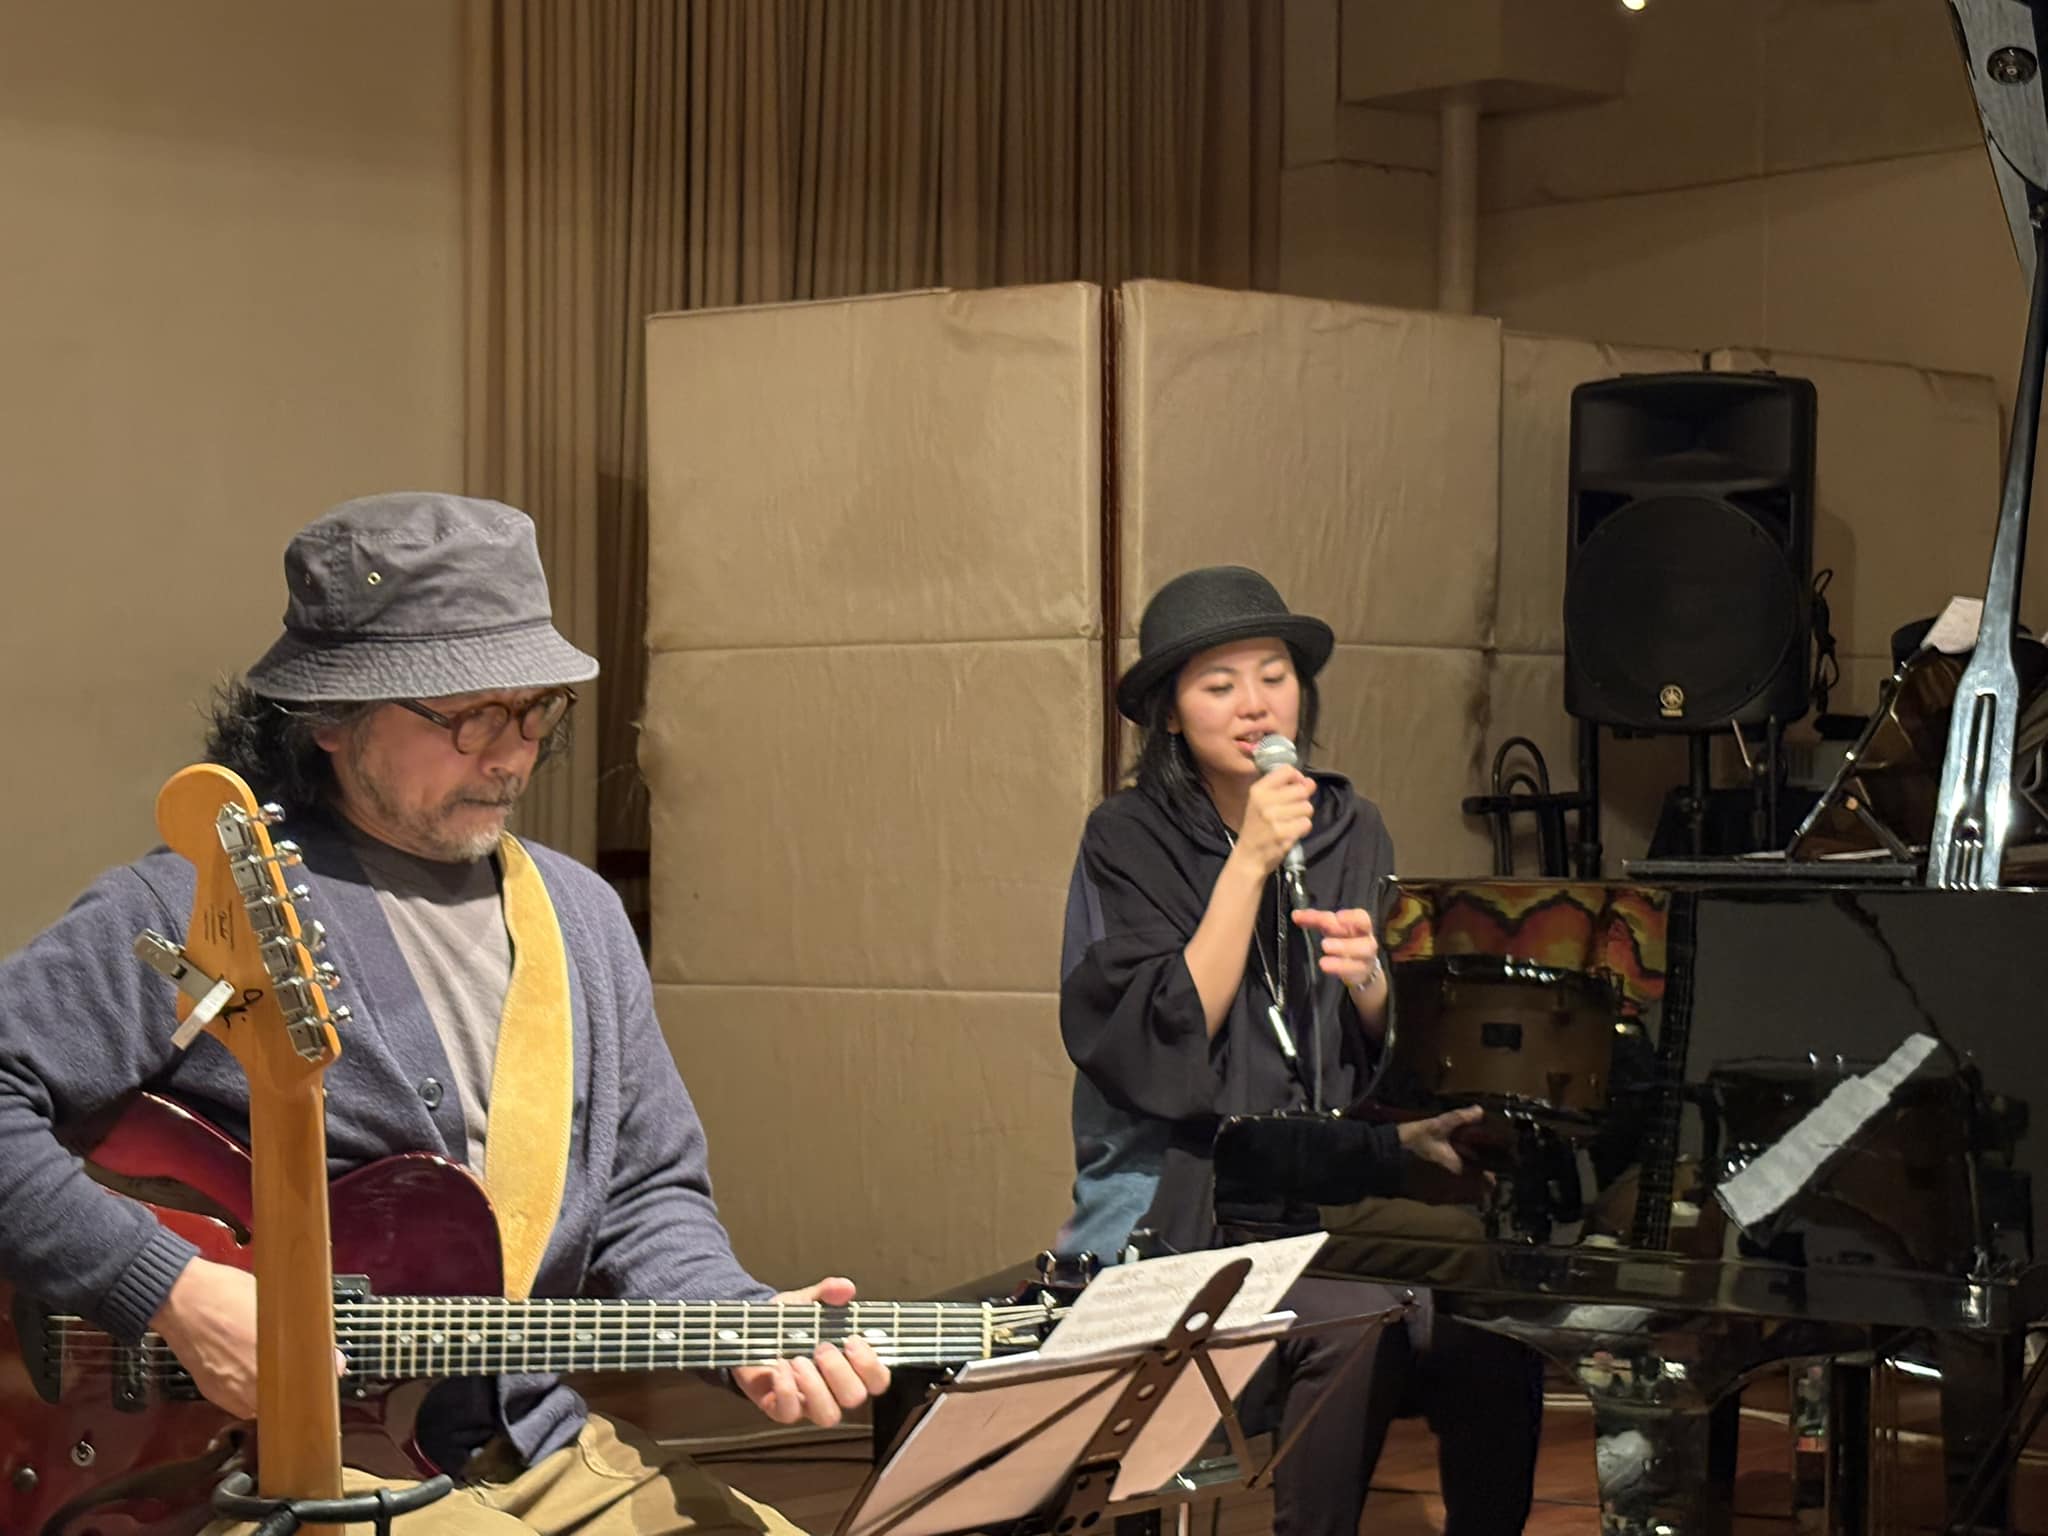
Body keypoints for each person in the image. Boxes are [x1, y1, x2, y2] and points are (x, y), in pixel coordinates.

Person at [0, 493, 884, 1536]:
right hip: (268, 1462)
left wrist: (737, 1325)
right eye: (468, 716)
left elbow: (645, 1194)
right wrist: (166, 1289)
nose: (510, 755)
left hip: (535, 1445)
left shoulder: (580, 916)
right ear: (330, 719)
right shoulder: (196, 902)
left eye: (534, 711)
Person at [1054, 565, 1542, 1536]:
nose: (1254, 704)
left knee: (1500, 1331)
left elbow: (1374, 1064)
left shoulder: (1350, 825)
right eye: (1218, 684)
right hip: (1181, 1203)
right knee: (1354, 1324)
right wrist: (1248, 862)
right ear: (1169, 712)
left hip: (1319, 1193)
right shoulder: (1127, 836)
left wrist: (1370, 985)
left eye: (1272, 676)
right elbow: (1159, 1044)